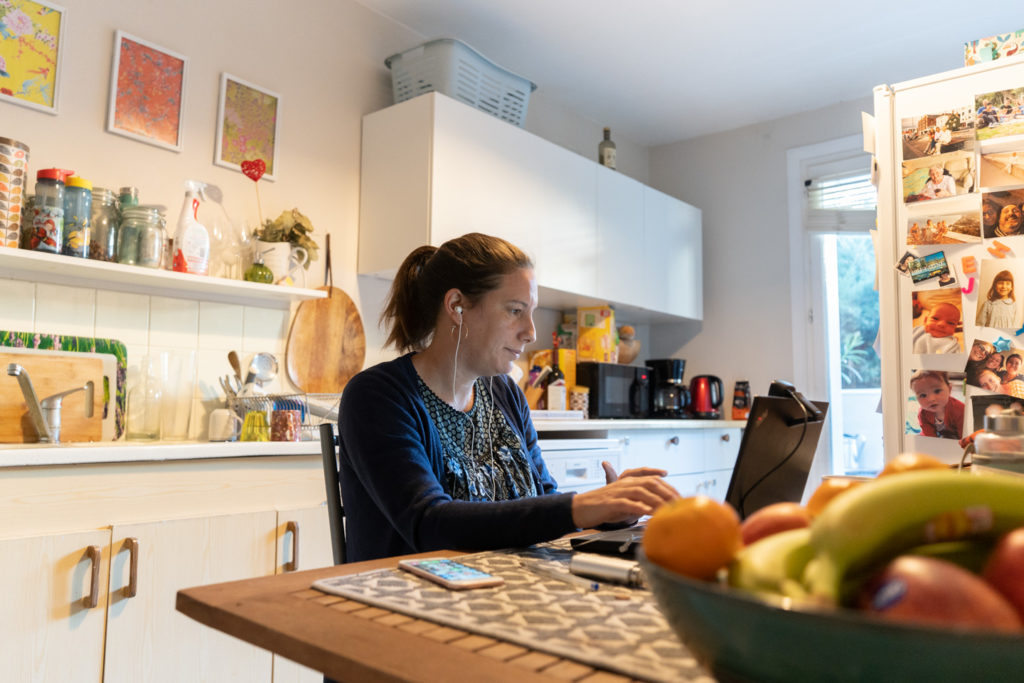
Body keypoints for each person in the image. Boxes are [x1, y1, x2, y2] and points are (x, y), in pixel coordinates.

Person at [337, 233, 679, 563]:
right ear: (457, 306)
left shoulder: (504, 393)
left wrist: (611, 511)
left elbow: (543, 502)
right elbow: (429, 523)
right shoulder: (379, 396)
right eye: (515, 310)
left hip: (502, 589)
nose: (531, 332)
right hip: (405, 600)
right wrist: (580, 505)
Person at [910, 370, 963, 440]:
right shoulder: (923, 414)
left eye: (937, 391)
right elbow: (929, 436)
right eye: (923, 395)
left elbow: (963, 437)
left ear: (949, 389)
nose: (931, 399)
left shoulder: (960, 410)